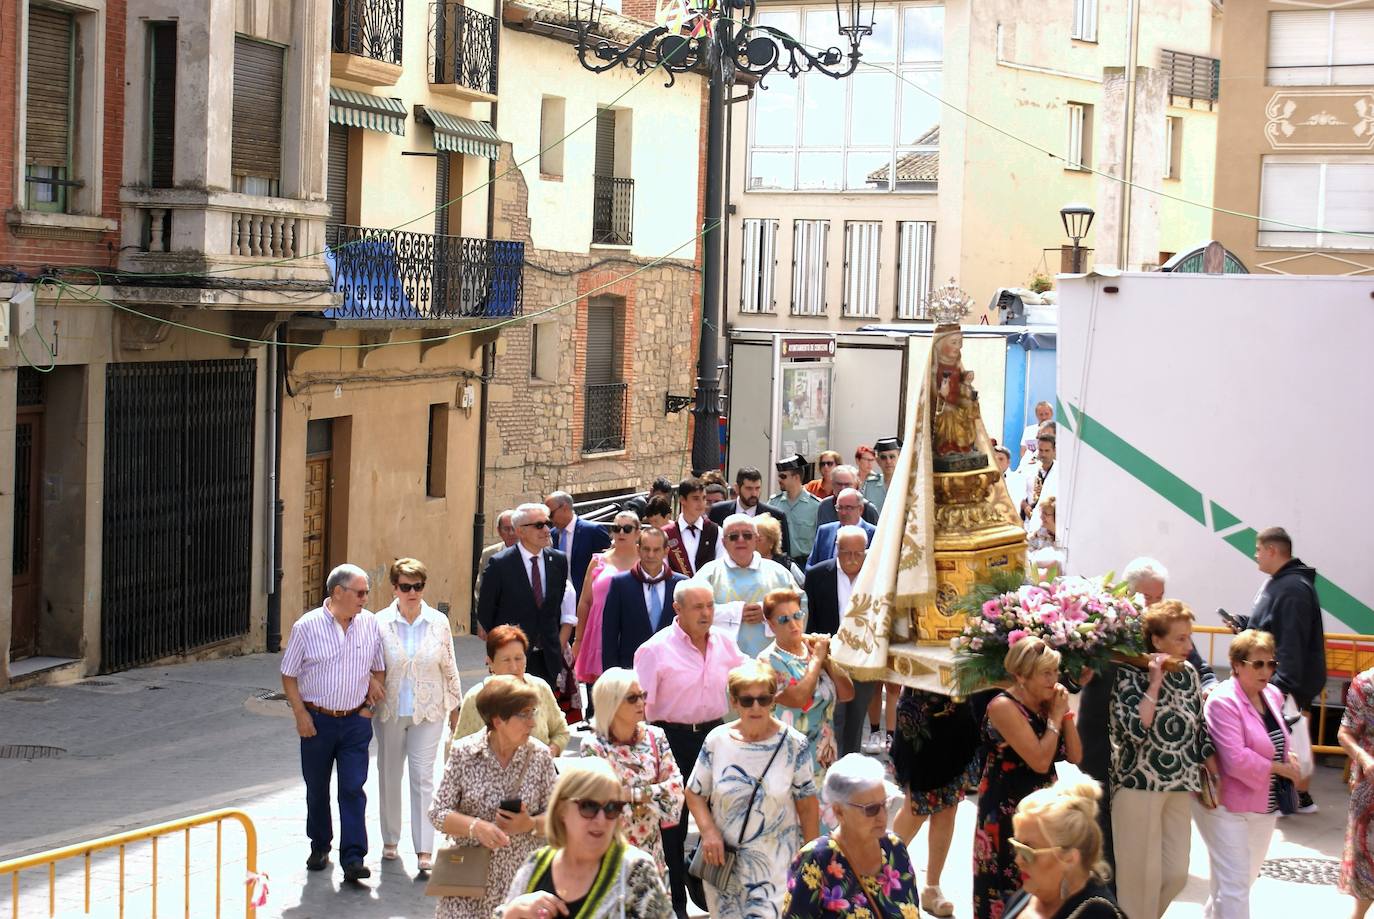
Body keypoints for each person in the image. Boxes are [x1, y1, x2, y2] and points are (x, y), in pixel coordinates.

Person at [1079, 556, 1217, 880]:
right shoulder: (1108, 622)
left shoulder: (1165, 627)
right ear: (1128, 592)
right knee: (1102, 824)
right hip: (1101, 734)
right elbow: (1078, 667)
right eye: (1148, 596)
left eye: (1159, 596)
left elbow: (1198, 664)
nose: (1154, 603)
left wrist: (1209, 684)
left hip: (1145, 751)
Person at [634, 580, 748, 918]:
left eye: (710, 606)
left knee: (724, 818)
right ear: (677, 610)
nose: (706, 613)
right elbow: (640, 706)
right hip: (670, 739)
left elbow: (753, 672)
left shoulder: (724, 644)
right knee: (674, 824)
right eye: (698, 607)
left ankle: (715, 896)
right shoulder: (655, 650)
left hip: (714, 737)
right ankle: (676, 906)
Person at [686, 660, 820, 919]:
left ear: (773, 701)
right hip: (724, 866)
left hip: (775, 868)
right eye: (747, 700)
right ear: (734, 702)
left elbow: (807, 804)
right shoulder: (717, 741)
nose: (756, 707)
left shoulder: (795, 744)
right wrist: (708, 831)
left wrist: (812, 861)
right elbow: (694, 792)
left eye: (764, 699)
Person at [1109, 600, 1215, 919]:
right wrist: (1154, 682)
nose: (1189, 645)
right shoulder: (1128, 673)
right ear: (1157, 640)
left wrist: (1212, 769)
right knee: (1139, 880)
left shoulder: (1189, 673)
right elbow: (1133, 730)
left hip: (1180, 783)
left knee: (1175, 874)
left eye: (1189, 637)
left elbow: (1199, 725)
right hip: (1138, 784)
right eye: (1180, 638)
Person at [280, 563, 385, 882]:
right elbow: (289, 674)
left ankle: (353, 857)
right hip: (317, 721)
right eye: (360, 592)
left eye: (367, 592)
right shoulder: (306, 627)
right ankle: (320, 845)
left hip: (355, 721)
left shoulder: (369, 624)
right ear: (337, 592)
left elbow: (379, 668)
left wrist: (368, 707)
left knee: (353, 787)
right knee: (316, 787)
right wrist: (300, 714)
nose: (366, 598)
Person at [430, 675, 558, 919]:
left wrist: (530, 824)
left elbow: (559, 817)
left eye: (533, 712)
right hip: (466, 880)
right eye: (524, 715)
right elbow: (437, 813)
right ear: (498, 720)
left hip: (520, 884)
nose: (532, 723)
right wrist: (476, 827)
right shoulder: (464, 753)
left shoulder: (539, 756)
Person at [974, 637, 1083, 919]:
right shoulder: (1002, 706)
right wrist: (1055, 719)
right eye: (1045, 673)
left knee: (1044, 888)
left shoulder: (1049, 705)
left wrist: (1065, 714)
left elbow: (1075, 755)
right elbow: (1039, 760)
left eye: (1055, 672)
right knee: (1005, 890)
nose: (1053, 679)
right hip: (1007, 809)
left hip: (1043, 807)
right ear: (1021, 676)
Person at [1194, 629, 1300, 919]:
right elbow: (1236, 760)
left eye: (1271, 664)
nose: (1267, 671)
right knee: (1234, 887)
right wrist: (1280, 768)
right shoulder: (1223, 701)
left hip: (1263, 804)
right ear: (1237, 665)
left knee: (1237, 884)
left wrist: (1285, 756)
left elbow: (1275, 739)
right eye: (1259, 664)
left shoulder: (1273, 695)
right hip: (1227, 805)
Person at [494, 758, 671, 919]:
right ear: (561, 809)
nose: (601, 819)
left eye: (611, 808)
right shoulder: (535, 865)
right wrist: (512, 912)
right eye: (588, 807)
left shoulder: (635, 870)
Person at [374, 558, 463, 870]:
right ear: (395, 588)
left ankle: (425, 847)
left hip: (429, 709)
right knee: (389, 774)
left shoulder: (438, 622)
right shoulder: (379, 622)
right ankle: (390, 838)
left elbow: (449, 665)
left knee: (423, 777)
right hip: (390, 710)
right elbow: (371, 665)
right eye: (406, 587)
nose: (412, 592)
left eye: (418, 586)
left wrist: (456, 707)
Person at [1236, 526, 1327, 813]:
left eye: (1258, 549)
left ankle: (1288, 800)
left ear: (1273, 550)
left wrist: (1279, 686)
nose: (1255, 555)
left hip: (1279, 683)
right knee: (1280, 742)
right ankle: (1289, 799)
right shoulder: (1283, 585)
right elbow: (1274, 627)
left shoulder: (1291, 588)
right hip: (1276, 680)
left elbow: (1290, 641)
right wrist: (1246, 625)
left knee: (1279, 742)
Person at [783, 753, 923, 917]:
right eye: (871, 809)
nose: (882, 816)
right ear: (839, 811)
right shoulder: (815, 859)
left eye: (885, 804)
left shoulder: (895, 847)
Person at [580, 668, 685, 874]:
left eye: (642, 696)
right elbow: (601, 802)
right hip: (610, 857)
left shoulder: (656, 736)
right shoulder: (593, 746)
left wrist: (630, 794)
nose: (641, 702)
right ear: (611, 703)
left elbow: (675, 791)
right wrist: (652, 794)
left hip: (652, 856)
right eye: (632, 698)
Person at [890, 687, 981, 917]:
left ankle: (932, 887)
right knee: (917, 807)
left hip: (958, 712)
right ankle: (879, 874)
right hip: (920, 713)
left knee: (948, 806)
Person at [477, 502, 577, 688]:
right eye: (539, 525)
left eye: (548, 523)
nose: (547, 530)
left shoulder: (558, 561)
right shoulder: (500, 564)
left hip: (547, 657)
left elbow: (555, 608)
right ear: (520, 531)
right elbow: (485, 611)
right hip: (512, 658)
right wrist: (503, 644)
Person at [760, 588, 854, 777]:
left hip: (824, 755)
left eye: (797, 615)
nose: (793, 624)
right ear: (771, 625)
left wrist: (826, 658)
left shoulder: (813, 648)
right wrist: (817, 660)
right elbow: (799, 699)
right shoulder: (769, 660)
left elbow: (848, 693)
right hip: (789, 757)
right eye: (784, 619)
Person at [1001, 778, 1125, 919]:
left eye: (1027, 851)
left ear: (1069, 858)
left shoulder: (1098, 915)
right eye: (1016, 846)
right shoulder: (1029, 895)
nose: (1018, 860)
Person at [452, 625, 570, 756]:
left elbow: (561, 731)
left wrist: (549, 753)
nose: (514, 667)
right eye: (506, 660)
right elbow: (459, 749)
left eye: (518, 658)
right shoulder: (475, 698)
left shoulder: (540, 689)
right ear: (490, 662)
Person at [696, 514, 799, 657]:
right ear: (724, 542)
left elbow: (800, 607)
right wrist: (735, 612)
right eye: (733, 536)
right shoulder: (709, 573)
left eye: (747, 535)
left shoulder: (779, 573)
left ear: (756, 539)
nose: (741, 540)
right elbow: (692, 612)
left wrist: (767, 612)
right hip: (721, 659)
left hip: (773, 659)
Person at [600, 525, 687, 671]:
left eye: (656, 550)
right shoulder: (620, 584)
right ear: (638, 549)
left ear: (666, 551)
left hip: (673, 666)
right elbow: (610, 632)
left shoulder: (681, 584)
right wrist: (611, 672)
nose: (651, 555)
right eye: (646, 549)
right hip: (631, 668)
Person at [571, 509, 641, 688]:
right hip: (598, 632)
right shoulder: (598, 560)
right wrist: (578, 640)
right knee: (599, 691)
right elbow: (585, 602)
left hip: (633, 631)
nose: (621, 533)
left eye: (627, 528)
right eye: (617, 528)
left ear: (638, 532)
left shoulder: (647, 561)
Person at [1339, 665, 1374, 919]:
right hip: (1370, 790)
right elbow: (1345, 733)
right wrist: (1363, 758)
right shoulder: (1365, 684)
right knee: (1367, 877)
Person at [709, 466, 792, 557]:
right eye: (749, 488)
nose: (754, 493)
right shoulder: (717, 511)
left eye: (757, 488)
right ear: (737, 488)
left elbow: (784, 554)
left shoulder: (775, 516)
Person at [545, 491, 613, 600]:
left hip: (588, 598)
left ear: (565, 508)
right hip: (561, 598)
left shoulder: (592, 531)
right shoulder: (553, 534)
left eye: (551, 514)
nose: (549, 519)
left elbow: (605, 567)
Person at [770, 453, 822, 568]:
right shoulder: (774, 503)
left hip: (805, 564)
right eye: (779, 476)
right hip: (780, 563)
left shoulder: (816, 506)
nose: (779, 479)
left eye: (783, 476)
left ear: (796, 477)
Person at [662, 477, 719, 577]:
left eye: (704, 498)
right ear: (682, 499)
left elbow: (720, 566)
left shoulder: (716, 531)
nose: (701, 503)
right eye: (696, 498)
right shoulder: (666, 534)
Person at [474, 509, 518, 635]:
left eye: (513, 528)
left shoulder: (530, 552)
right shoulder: (489, 554)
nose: (511, 533)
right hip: (497, 620)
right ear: (499, 531)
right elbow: (480, 588)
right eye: (506, 529)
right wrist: (481, 621)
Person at [807, 490, 876, 568]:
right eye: (840, 508)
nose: (843, 513)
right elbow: (811, 565)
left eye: (848, 508)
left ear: (860, 509)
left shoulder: (875, 534)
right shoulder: (825, 532)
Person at [755, 514, 805, 588]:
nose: (753, 542)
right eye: (750, 538)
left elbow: (803, 586)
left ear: (771, 542)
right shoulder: (743, 564)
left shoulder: (786, 564)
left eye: (759, 539)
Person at [1022, 432, 1057, 523]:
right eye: (1041, 450)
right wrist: (1025, 506)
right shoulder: (1029, 469)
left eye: (1047, 450)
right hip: (1030, 522)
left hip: (1051, 524)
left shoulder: (1061, 472)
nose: (1043, 454)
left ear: (1054, 450)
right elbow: (1019, 493)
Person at [1016, 401, 1055, 471]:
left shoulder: (1057, 430)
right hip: (1029, 467)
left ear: (1052, 414)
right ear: (1036, 415)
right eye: (1041, 414)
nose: (1044, 417)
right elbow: (1023, 451)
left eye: (1046, 414)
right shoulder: (1029, 430)